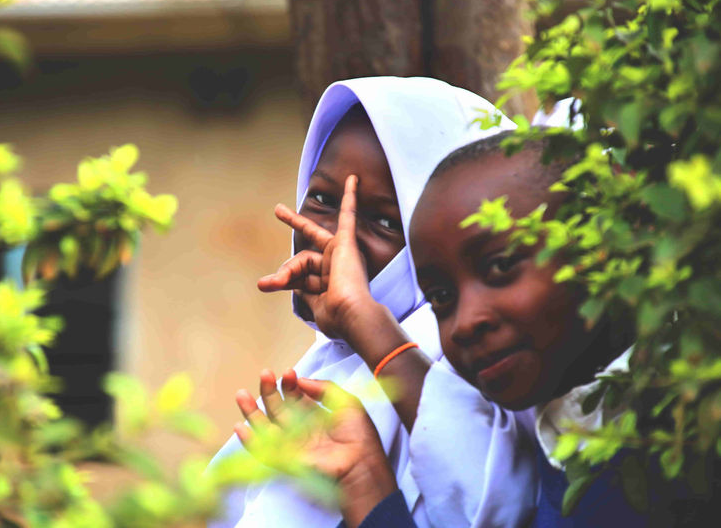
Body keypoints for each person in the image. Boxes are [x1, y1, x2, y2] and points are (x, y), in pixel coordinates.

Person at [243, 131, 649, 527]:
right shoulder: (563, 437)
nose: (466, 323)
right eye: (440, 297)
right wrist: (363, 476)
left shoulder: (674, 442)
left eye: (501, 266)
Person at [209, 77, 537, 528]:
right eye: (322, 199)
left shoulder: (479, 368)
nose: (338, 243)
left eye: (384, 221)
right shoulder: (325, 371)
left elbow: (491, 508)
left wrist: (364, 321)